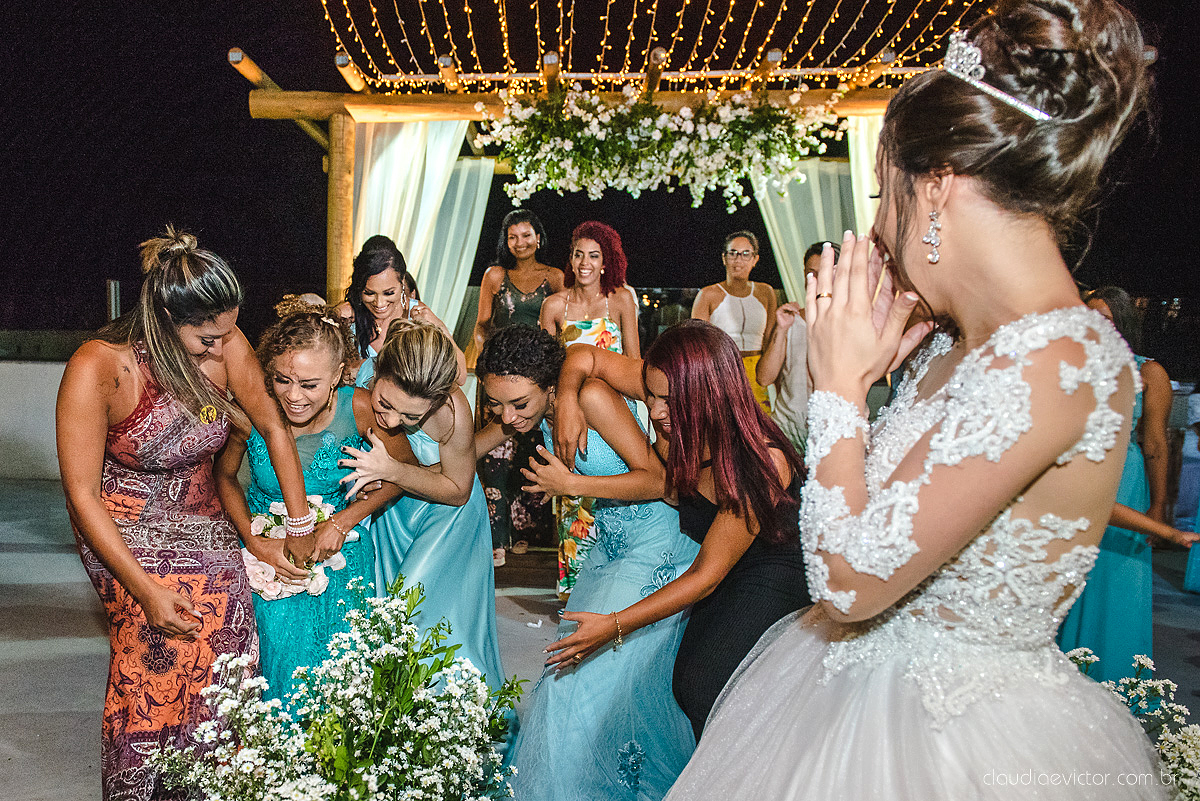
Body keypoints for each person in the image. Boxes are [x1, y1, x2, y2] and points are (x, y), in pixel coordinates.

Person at [664, 0, 1170, 797]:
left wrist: (838, 388)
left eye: (881, 199)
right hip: (847, 692)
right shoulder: (955, 343)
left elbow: (850, 579)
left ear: (935, 186)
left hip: (963, 747)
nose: (882, 232)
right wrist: (880, 380)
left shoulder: (1064, 355)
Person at [56, 228, 313, 801]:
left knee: (231, 622)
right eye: (206, 337)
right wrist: (144, 589)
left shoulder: (224, 339)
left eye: (228, 331)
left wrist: (298, 526)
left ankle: (219, 785)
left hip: (202, 514)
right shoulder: (100, 366)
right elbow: (81, 494)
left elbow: (272, 425)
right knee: (167, 633)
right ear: (164, 320)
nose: (222, 347)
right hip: (121, 523)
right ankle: (145, 785)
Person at [549, 320, 810, 741]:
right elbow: (586, 355)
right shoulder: (667, 383)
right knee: (683, 684)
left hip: (772, 568)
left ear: (710, 395)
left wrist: (614, 624)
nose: (654, 411)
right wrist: (566, 400)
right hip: (716, 556)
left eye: (668, 402)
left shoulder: (760, 462)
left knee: (702, 683)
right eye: (649, 395)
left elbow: (706, 575)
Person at [474, 325, 699, 801]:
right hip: (608, 547)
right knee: (585, 678)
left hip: (653, 546)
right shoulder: (551, 411)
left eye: (519, 404)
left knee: (579, 680)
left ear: (551, 387)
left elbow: (660, 483)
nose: (508, 417)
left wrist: (572, 486)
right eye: (496, 405)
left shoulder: (592, 398)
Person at [213, 302, 415, 703]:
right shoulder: (253, 411)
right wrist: (253, 541)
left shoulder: (359, 407)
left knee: (339, 662)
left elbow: (403, 471)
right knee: (273, 654)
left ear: (338, 376)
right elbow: (224, 476)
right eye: (282, 380)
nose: (293, 396)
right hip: (266, 547)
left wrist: (343, 521)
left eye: (309, 384)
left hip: (342, 545)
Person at [337, 320, 505, 692]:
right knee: (382, 616)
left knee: (417, 616)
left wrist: (391, 470)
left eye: (412, 418)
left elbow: (458, 488)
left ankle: (457, 726)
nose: (393, 420)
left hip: (449, 518)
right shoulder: (356, 381)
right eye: (386, 405)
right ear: (377, 370)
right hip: (394, 515)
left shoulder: (453, 410)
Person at [1058, 286, 1196, 680]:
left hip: (1123, 479)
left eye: (1102, 317)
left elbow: (1155, 442)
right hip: (1075, 479)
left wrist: (1157, 505)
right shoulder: (1071, 364)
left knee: (1116, 577)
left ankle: (1113, 678)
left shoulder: (1149, 372)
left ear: (1123, 323)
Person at [540, 221, 641, 598]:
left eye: (593, 255)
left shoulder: (620, 300)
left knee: (613, 497)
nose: (584, 262)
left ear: (606, 262)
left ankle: (615, 588)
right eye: (578, 253)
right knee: (573, 503)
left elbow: (634, 360)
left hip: (614, 416)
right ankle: (574, 593)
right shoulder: (554, 306)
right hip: (569, 415)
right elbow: (546, 370)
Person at [472, 210, 563, 565]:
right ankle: (495, 537)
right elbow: (481, 324)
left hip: (535, 380)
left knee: (532, 453)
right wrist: (488, 358)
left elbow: (562, 323)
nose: (520, 243)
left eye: (527, 235)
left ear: (538, 237)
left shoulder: (554, 277)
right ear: (505, 241)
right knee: (495, 458)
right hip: (498, 376)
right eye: (513, 237)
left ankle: (526, 534)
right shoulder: (495, 275)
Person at [335, 236, 465, 388]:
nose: (379, 303)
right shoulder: (348, 315)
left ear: (402, 282)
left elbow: (461, 375)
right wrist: (334, 317)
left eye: (389, 293)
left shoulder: (417, 313)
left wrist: (439, 327)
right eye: (369, 293)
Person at [756, 241, 837, 452]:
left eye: (824, 273)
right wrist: (781, 329)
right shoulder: (790, 320)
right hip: (786, 429)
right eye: (811, 273)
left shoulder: (850, 323)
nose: (817, 281)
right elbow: (764, 378)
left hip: (832, 433)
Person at [691, 231, 777, 411]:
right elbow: (697, 344)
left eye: (746, 254)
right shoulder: (708, 294)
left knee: (761, 428)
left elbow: (771, 338)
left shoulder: (766, 292)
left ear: (755, 259)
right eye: (733, 253)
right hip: (722, 370)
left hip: (759, 372)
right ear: (724, 258)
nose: (739, 259)